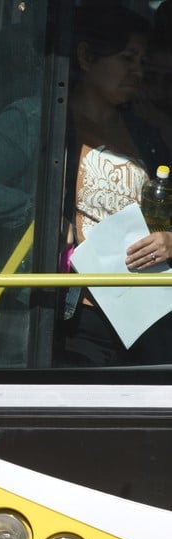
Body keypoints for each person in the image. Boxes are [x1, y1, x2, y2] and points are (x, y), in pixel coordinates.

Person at [60, 6, 172, 365]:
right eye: (127, 58)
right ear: (87, 57)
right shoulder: (41, 124)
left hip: (147, 309)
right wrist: (45, 220)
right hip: (82, 315)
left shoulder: (147, 136)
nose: (138, 71)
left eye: (141, 60)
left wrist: (170, 239)